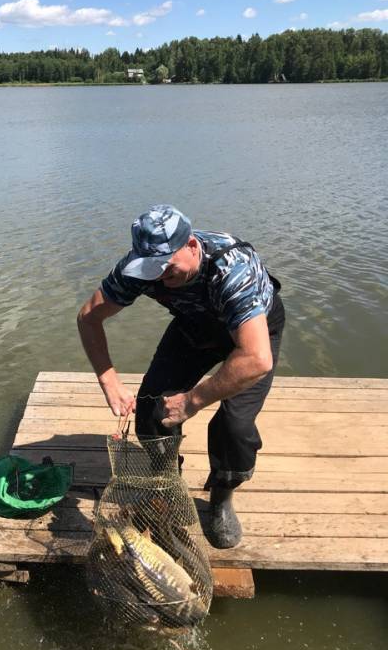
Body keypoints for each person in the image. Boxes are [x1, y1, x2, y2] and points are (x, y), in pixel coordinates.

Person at [77, 204, 285, 549]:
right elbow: (88, 317)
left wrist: (193, 400)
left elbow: (256, 358)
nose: (158, 277)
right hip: (195, 326)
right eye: (150, 268)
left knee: (234, 427)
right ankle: (168, 487)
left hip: (252, 335)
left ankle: (221, 497)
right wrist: (109, 379)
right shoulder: (137, 270)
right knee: (151, 410)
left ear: (191, 245)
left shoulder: (232, 269)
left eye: (165, 267)